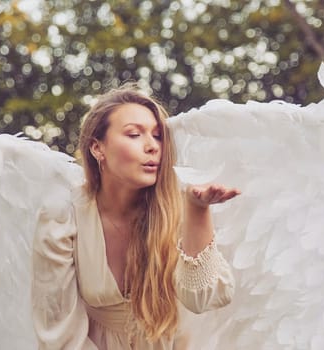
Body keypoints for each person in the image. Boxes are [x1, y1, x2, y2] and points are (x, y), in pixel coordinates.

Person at [31, 84, 240, 349]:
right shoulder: (62, 216)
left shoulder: (174, 207)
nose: (152, 146)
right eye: (134, 134)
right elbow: (57, 330)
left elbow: (203, 298)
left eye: (157, 135)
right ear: (97, 148)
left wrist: (197, 211)